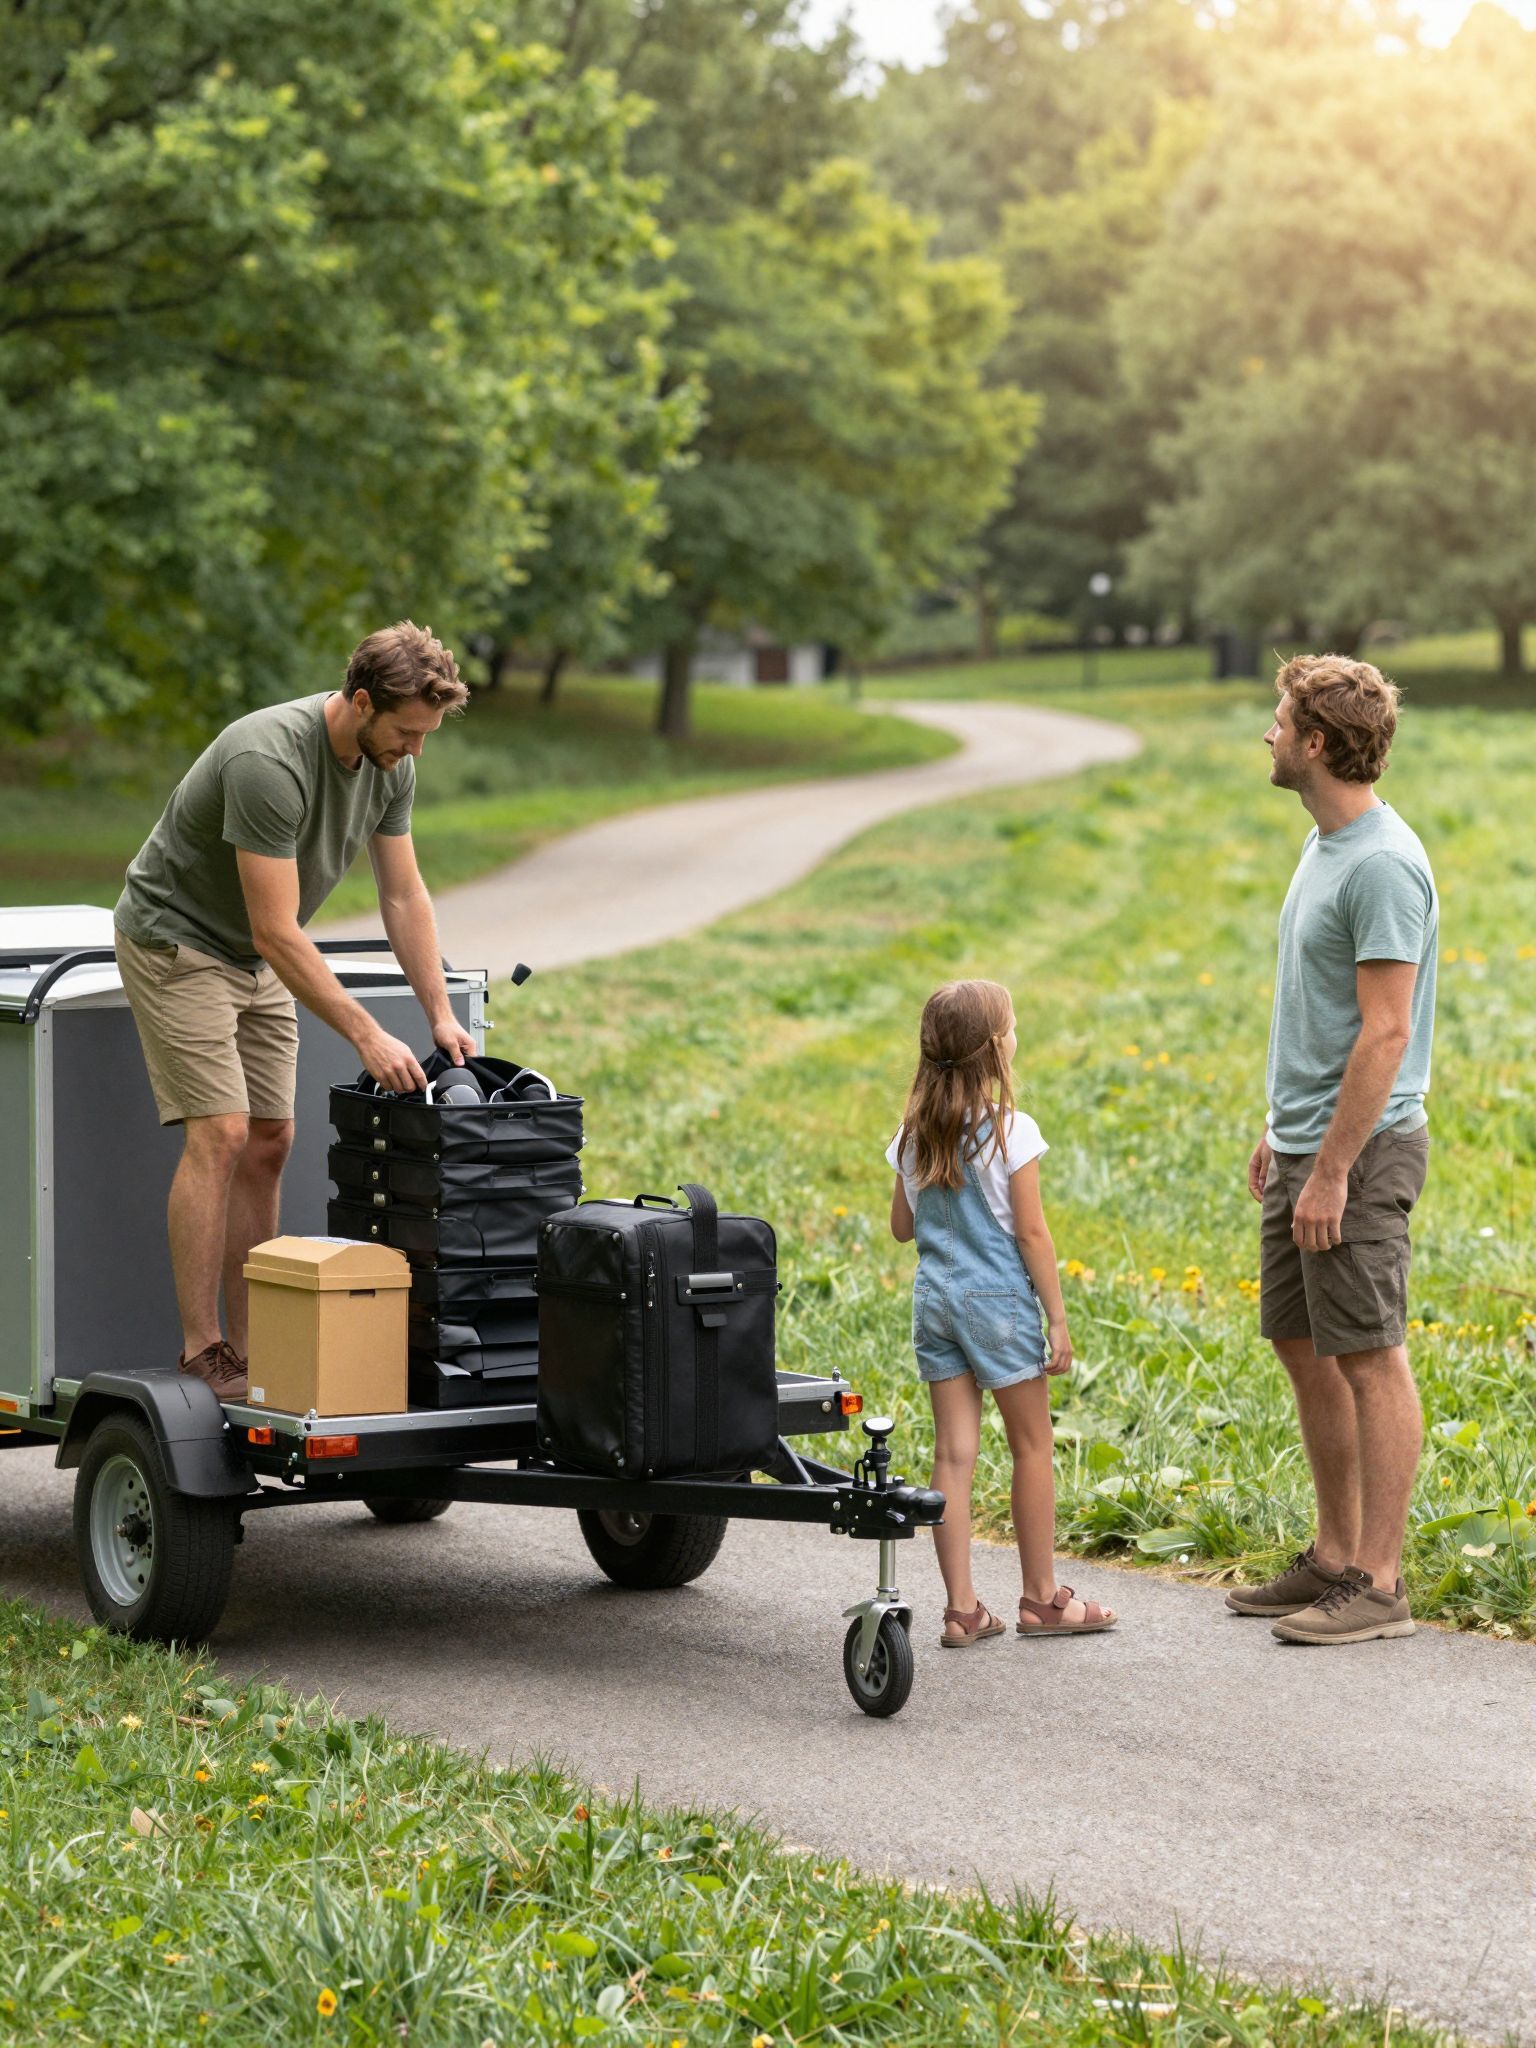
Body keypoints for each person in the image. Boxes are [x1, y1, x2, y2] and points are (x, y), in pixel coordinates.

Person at [113, 621, 477, 1401]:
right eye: (408, 732)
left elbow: (402, 893)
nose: (416, 749)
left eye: (427, 734)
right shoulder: (268, 760)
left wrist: (439, 1013)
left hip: (257, 956)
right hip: (179, 941)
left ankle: (254, 1348)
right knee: (221, 1132)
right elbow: (275, 930)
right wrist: (365, 1031)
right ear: (361, 702)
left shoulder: (391, 766)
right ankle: (203, 1350)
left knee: (271, 1139)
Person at [1233, 653, 1438, 1645]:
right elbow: (1321, 1014)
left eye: (1280, 721)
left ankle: (1380, 1583)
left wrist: (1333, 1168)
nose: (1268, 734)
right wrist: (1282, 1130)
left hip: (1358, 1154)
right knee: (1302, 1341)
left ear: (1315, 743)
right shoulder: (1326, 844)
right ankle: (1334, 1554)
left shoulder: (1382, 864)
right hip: (1307, 1143)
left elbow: (1387, 1033)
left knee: (1368, 1356)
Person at [886, 978, 1117, 1646]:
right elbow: (1032, 1234)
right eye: (1012, 1026)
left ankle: (962, 1610)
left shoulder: (912, 1134)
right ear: (996, 1048)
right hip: (998, 1306)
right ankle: (1042, 1599)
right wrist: (1058, 1318)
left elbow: (902, 1228)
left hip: (935, 1302)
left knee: (953, 1454)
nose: (1017, 1034)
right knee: (1032, 1445)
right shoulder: (1011, 1130)